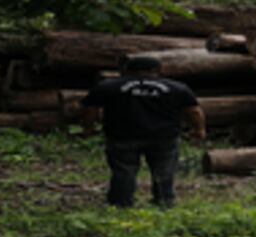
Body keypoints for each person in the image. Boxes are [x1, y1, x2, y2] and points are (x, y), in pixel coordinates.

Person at [80, 56, 206, 208]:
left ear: (127, 70)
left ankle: (121, 203)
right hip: (163, 137)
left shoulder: (109, 86)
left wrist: (89, 128)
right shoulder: (177, 88)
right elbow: (194, 111)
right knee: (164, 171)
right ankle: (163, 202)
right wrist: (199, 130)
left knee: (124, 171)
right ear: (158, 70)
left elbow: (90, 108)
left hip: (122, 136)